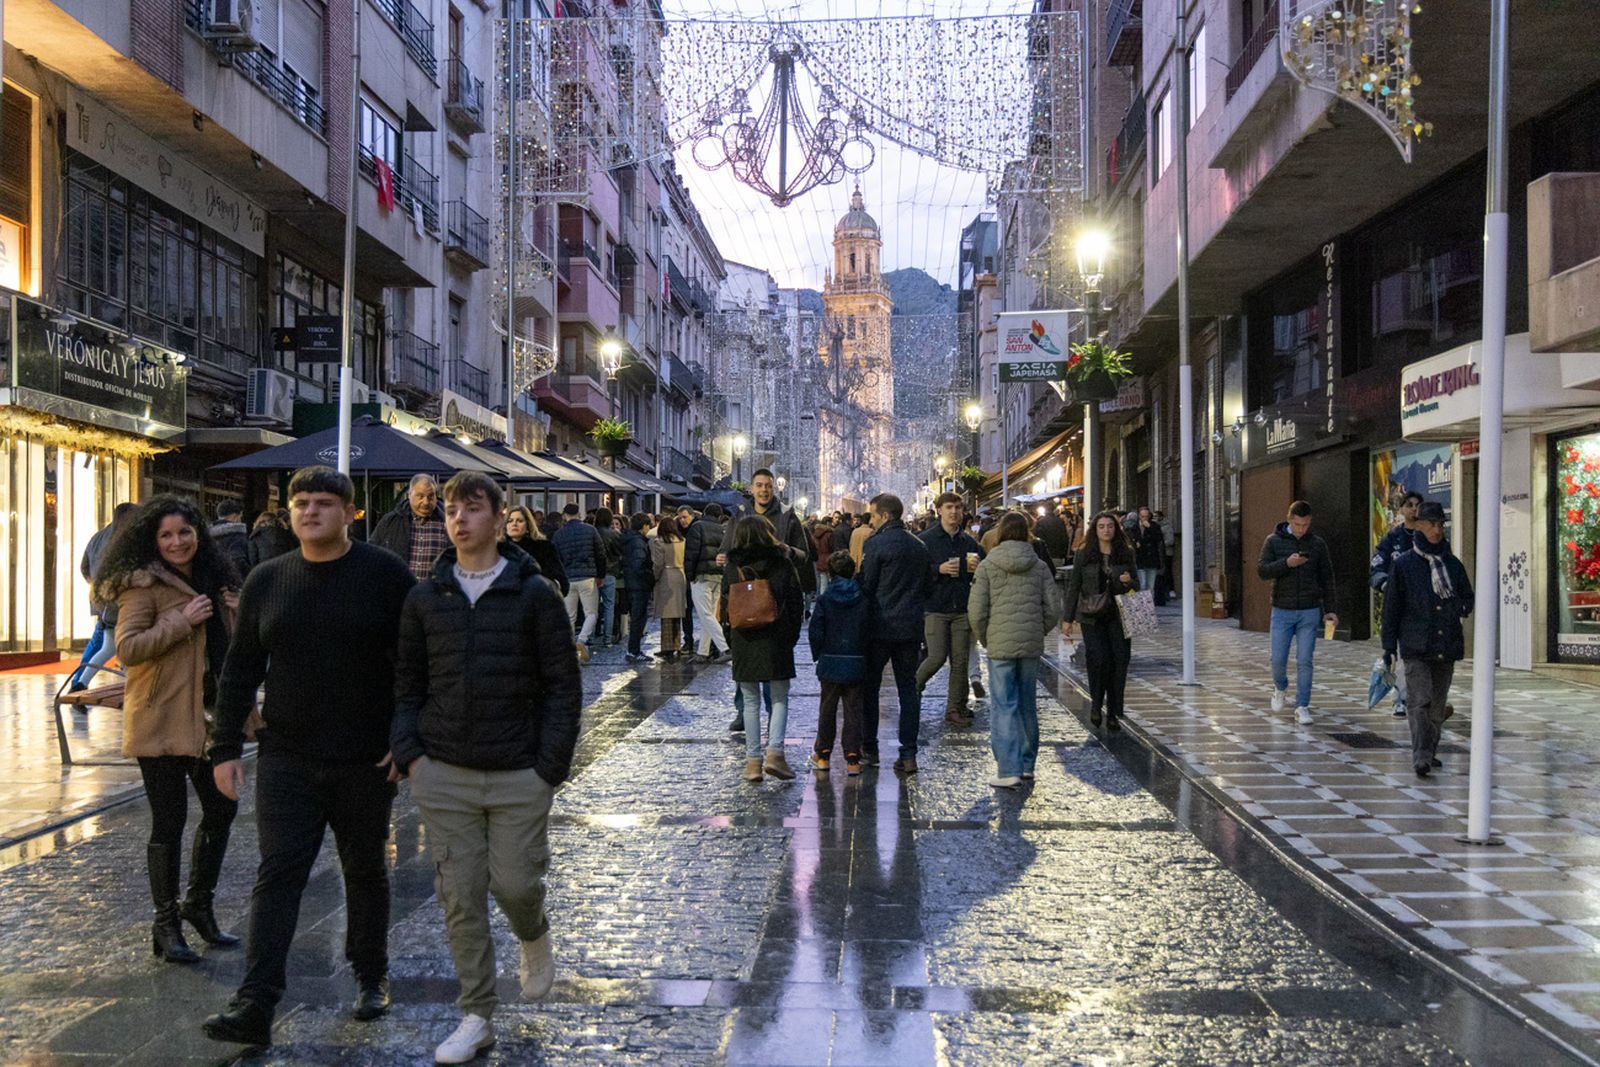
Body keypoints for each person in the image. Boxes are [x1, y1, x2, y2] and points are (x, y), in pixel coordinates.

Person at [201, 466, 416, 1048]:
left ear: (350, 513)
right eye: (300, 502)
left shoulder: (385, 575)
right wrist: (225, 747)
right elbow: (240, 668)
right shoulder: (268, 581)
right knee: (278, 876)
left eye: (323, 503)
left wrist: (405, 740)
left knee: (365, 867)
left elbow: (412, 668)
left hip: (364, 758)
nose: (310, 511)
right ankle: (255, 1002)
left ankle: (371, 975)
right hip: (287, 756)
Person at [390, 472, 582, 1064]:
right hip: (443, 770)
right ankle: (476, 1013)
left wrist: (549, 765)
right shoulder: (427, 597)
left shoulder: (533, 595)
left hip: (520, 770)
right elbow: (406, 683)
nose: (459, 519)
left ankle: (534, 933)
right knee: (460, 893)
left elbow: (562, 687)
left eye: (472, 509)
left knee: (516, 883)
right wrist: (412, 754)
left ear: (500, 520)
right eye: (451, 509)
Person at [96, 496, 242, 963]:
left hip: (208, 718)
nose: (177, 542)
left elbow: (229, 648)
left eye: (184, 532)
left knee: (221, 809)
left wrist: (232, 613)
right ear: (152, 541)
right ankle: (165, 923)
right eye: (166, 535)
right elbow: (130, 648)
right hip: (161, 716)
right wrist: (181, 620)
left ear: (198, 532)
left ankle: (198, 904)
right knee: (170, 821)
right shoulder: (142, 586)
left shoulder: (214, 578)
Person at [969, 512, 1062, 787]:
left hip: (1000, 645)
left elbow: (976, 611)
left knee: (1003, 705)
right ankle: (1027, 764)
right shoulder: (1040, 566)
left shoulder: (987, 566)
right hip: (1030, 644)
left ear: (1000, 533)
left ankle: (1008, 769)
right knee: (1027, 704)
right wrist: (1038, 629)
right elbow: (1053, 608)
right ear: (1027, 533)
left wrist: (986, 636)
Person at [1381, 502, 1473, 778]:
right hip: (1416, 645)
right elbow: (1392, 608)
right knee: (1419, 701)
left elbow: (1467, 597)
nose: (1436, 529)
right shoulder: (1404, 565)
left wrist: (1459, 607)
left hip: (1446, 645)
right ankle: (1420, 756)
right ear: (1419, 525)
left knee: (1436, 707)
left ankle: (1429, 752)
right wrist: (1388, 647)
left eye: (1440, 524)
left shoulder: (1452, 564)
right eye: (1431, 524)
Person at [721, 515, 805, 782]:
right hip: (776, 636)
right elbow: (795, 601)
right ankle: (775, 754)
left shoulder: (733, 564)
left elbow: (725, 603)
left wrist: (731, 637)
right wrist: (790, 637)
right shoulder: (781, 561)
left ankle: (753, 763)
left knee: (750, 701)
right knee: (779, 698)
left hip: (744, 637)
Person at [858, 493, 932, 776]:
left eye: (874, 516)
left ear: (886, 516)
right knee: (908, 690)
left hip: (879, 627)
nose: (871, 521)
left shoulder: (876, 544)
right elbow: (928, 586)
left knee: (871, 688)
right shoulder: (920, 545)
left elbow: (867, 584)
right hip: (910, 628)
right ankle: (909, 753)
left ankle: (870, 748)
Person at [1257, 500, 1338, 726]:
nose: (1302, 529)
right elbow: (1262, 570)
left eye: (1306, 524)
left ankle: (1302, 705)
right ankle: (1280, 687)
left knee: (1305, 660)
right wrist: (1287, 563)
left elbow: (1327, 578)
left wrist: (1330, 609)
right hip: (1282, 609)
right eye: (1298, 524)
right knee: (1278, 659)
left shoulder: (1318, 544)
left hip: (1309, 610)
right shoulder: (1273, 541)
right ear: (1289, 520)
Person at [1062, 512, 1139, 732]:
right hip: (1092, 617)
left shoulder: (1126, 554)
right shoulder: (1084, 554)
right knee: (1098, 660)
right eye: (1102, 526)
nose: (1106, 530)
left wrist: (1127, 582)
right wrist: (1067, 619)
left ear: (1116, 529)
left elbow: (1137, 586)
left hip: (1119, 616)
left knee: (1119, 662)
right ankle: (1096, 703)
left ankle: (1114, 712)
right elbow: (1074, 587)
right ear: (1095, 530)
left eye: (1110, 526)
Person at [916, 493, 985, 727]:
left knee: (960, 660)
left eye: (958, 507)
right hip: (935, 607)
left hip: (962, 607)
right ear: (939, 510)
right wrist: (939, 569)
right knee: (936, 656)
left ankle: (955, 707)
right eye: (949, 507)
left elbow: (981, 573)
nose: (954, 512)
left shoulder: (969, 542)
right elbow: (917, 573)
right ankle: (912, 689)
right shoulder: (925, 540)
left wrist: (976, 568)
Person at [808, 550, 868, 775]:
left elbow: (816, 631)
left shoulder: (824, 599)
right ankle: (852, 759)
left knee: (827, 708)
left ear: (830, 573)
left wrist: (819, 655)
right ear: (853, 572)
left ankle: (823, 755)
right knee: (853, 711)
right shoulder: (862, 598)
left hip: (830, 661)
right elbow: (866, 628)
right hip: (855, 659)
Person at [68, 502, 138, 692]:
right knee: (115, 644)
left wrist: (97, 587)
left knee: (107, 645)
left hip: (102, 601)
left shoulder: (98, 537)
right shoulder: (127, 538)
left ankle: (79, 683)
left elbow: (84, 567)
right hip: (119, 601)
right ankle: (79, 684)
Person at [1370, 490, 1424, 719]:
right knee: (1401, 654)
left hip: (1424, 606)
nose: (1414, 509)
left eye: (1418, 505)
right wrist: (1385, 585)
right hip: (1399, 606)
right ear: (1401, 509)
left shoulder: (1429, 537)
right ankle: (1400, 699)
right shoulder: (1392, 539)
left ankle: (1422, 696)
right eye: (1409, 505)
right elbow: (1376, 567)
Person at [552, 503, 606, 659]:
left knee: (569, 616)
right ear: (579, 513)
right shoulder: (590, 530)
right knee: (591, 613)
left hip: (568, 579)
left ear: (565, 515)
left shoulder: (559, 534)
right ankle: (582, 639)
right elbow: (600, 554)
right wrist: (600, 575)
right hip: (588, 577)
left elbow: (555, 559)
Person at [371, 473, 448, 580]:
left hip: (435, 594)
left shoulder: (450, 523)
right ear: (409, 495)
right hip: (399, 593)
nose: (426, 502)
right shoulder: (390, 521)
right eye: (420, 496)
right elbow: (372, 554)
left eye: (430, 496)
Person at [685, 503, 728, 660]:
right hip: (718, 575)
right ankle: (702, 652)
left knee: (704, 613)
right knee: (708, 614)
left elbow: (691, 554)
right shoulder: (722, 530)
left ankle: (725, 648)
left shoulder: (697, 527)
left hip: (701, 575)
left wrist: (689, 575)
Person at [504, 504, 569, 596]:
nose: (514, 524)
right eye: (510, 521)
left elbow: (562, 582)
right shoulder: (496, 549)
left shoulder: (544, 547)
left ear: (528, 524)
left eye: (520, 520)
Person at [650, 514, 688, 660]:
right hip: (680, 574)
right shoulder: (682, 540)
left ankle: (666, 647)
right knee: (677, 612)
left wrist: (654, 577)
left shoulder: (659, 542)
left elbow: (658, 563)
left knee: (666, 613)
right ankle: (677, 645)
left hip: (666, 575)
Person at [620, 513, 656, 662]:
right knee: (638, 618)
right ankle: (633, 651)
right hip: (639, 584)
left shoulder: (629, 539)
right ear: (644, 526)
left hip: (631, 582)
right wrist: (650, 577)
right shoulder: (638, 542)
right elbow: (638, 564)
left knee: (637, 618)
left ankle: (633, 650)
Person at [593, 506, 623, 646]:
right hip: (610, 573)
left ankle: (591, 636)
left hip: (593, 574)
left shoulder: (592, 532)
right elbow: (619, 552)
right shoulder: (614, 534)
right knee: (609, 606)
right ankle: (607, 639)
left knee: (592, 607)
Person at [210, 500, 251, 579]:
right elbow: (238, 561)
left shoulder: (208, 535)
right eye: (240, 517)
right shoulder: (236, 535)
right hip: (234, 583)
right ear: (235, 516)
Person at [1133, 507, 1164, 596]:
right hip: (1140, 559)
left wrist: (1149, 527)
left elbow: (1159, 539)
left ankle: (1150, 608)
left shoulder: (1154, 526)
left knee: (1150, 586)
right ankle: (1143, 607)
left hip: (1151, 559)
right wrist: (1135, 544)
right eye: (1142, 516)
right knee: (1142, 584)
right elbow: (1129, 540)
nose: (1144, 518)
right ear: (1139, 516)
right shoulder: (1134, 527)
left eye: (1146, 516)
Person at [810, 519, 836, 595]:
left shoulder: (815, 534)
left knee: (823, 582)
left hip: (819, 559)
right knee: (831, 581)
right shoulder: (829, 534)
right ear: (828, 523)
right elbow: (832, 547)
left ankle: (822, 599)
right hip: (829, 559)